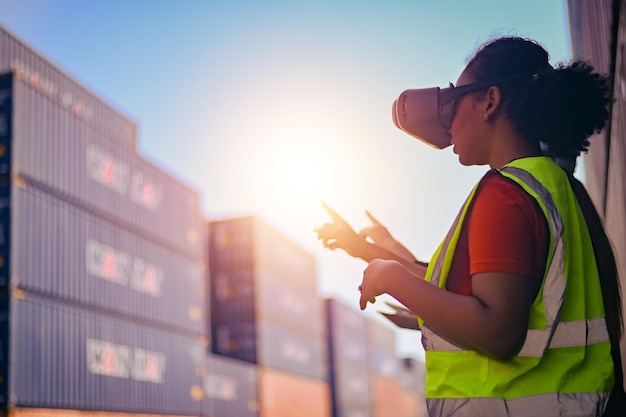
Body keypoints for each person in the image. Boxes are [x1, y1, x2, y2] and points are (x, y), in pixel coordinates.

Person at [315, 36, 625, 417]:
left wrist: (391, 276)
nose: (447, 124)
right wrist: (367, 251)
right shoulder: (553, 185)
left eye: (455, 100)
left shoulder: (504, 194)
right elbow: (462, 292)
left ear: (489, 101)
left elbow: (496, 330)